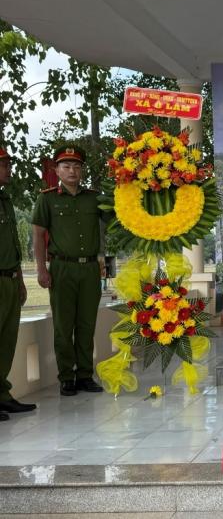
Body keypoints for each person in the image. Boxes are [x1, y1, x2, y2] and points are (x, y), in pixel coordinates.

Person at [32, 145, 108, 396]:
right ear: (57, 170)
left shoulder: (94, 198)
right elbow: (38, 235)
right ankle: (66, 376)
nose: (72, 171)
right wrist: (41, 270)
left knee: (87, 324)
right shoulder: (47, 198)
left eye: (76, 166)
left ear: (82, 170)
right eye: (66, 166)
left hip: (90, 269)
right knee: (64, 326)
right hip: (62, 268)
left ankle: (85, 375)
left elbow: (116, 221)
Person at [0, 147, 37, 419]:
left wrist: (21, 281)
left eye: (8, 164)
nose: (8, 169)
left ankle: (2, 395)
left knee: (6, 342)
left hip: (10, 280)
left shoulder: (5, 200)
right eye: (4, 165)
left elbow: (13, 246)